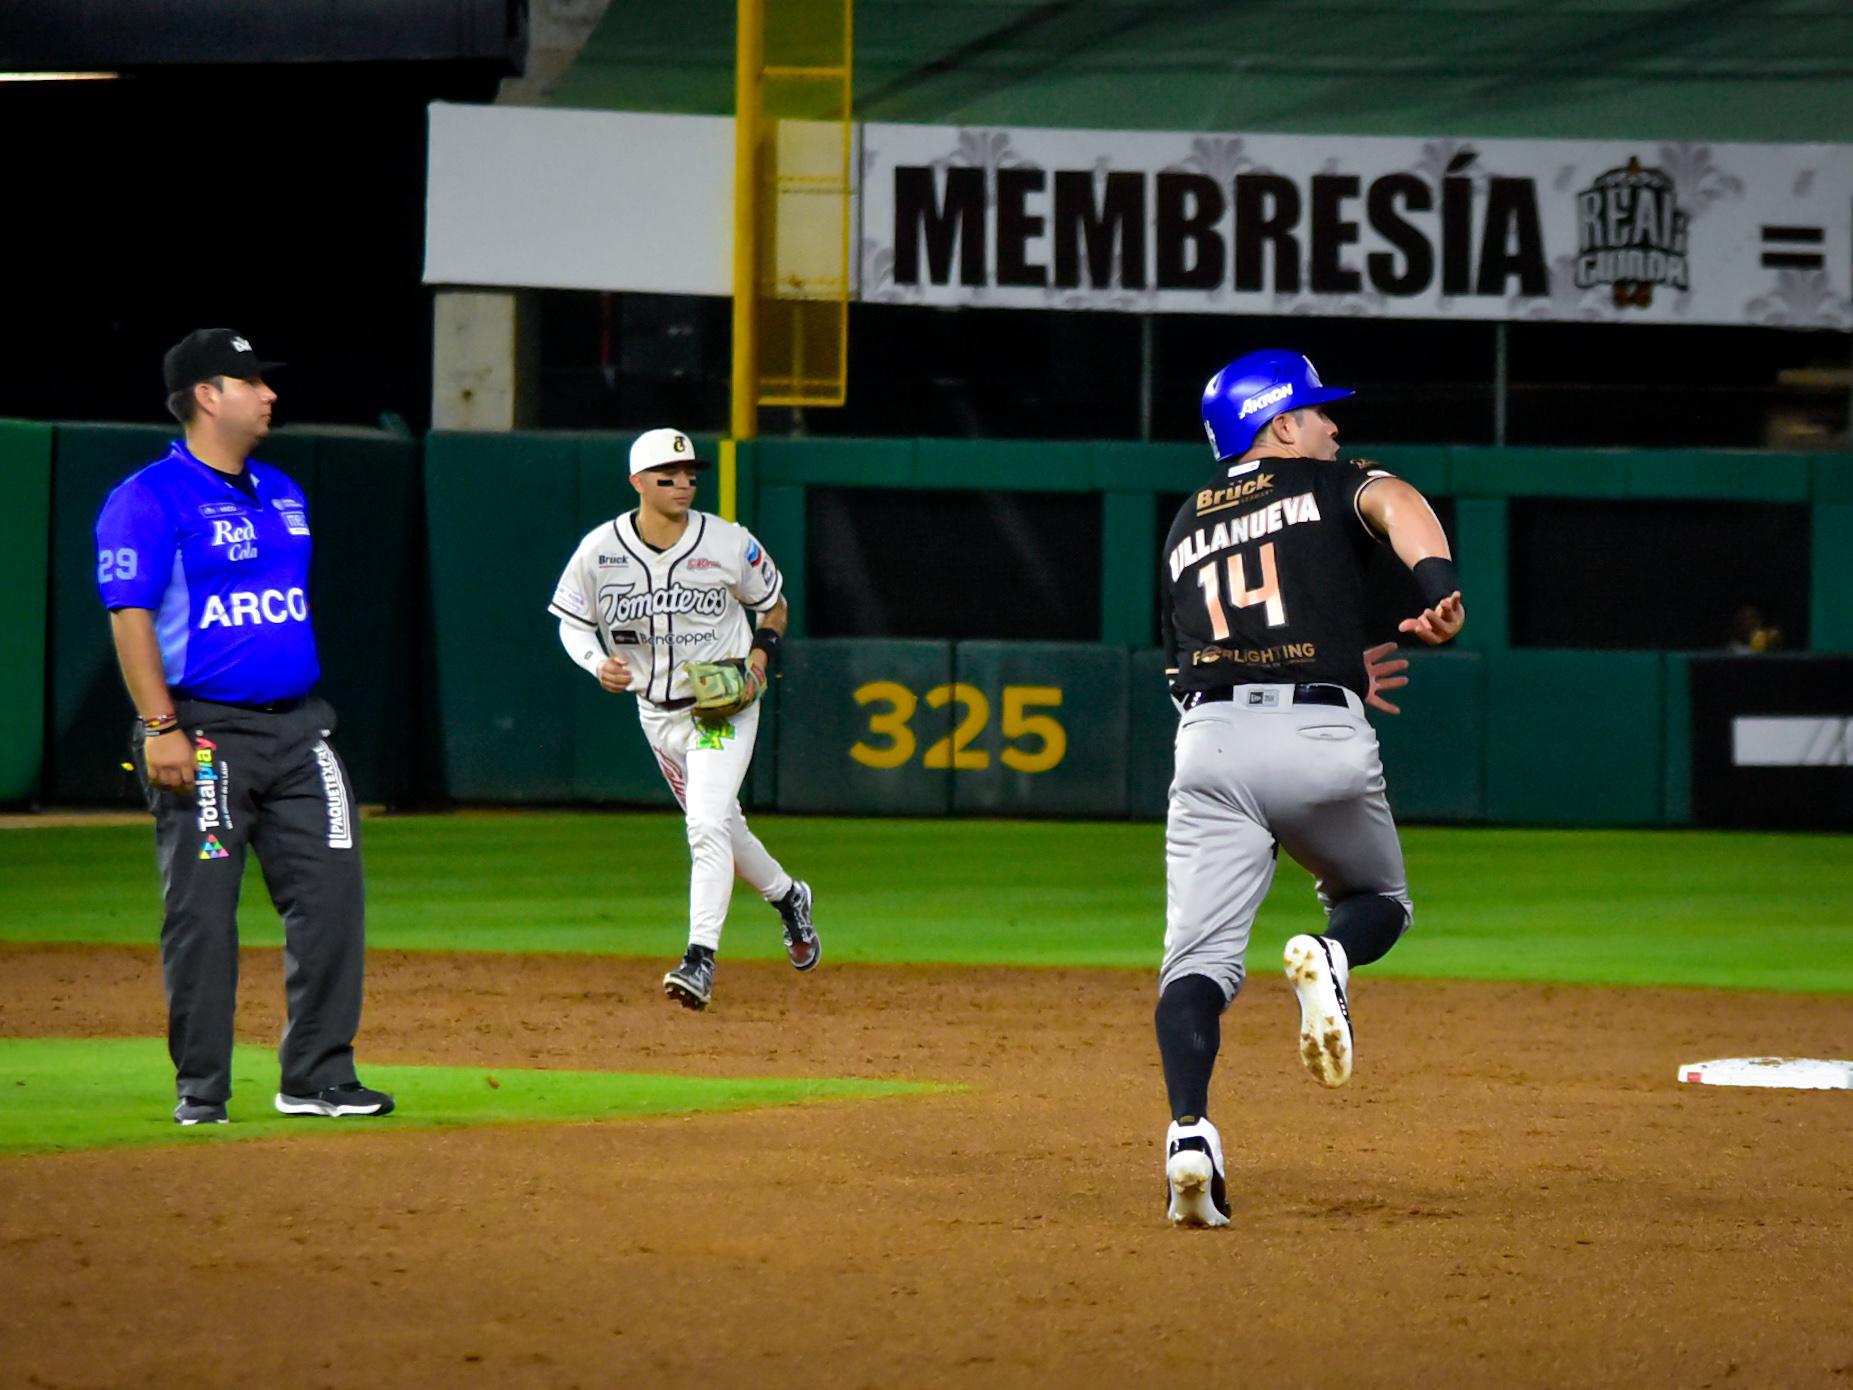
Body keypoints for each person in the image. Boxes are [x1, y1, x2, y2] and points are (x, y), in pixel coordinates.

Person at [1154, 349, 1464, 1227]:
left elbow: (1185, 662)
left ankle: (1188, 1135)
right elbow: (1397, 503)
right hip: (1317, 736)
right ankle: (1330, 957)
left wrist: (1326, 663)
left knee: (1195, 965)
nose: (1334, 426)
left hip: (1207, 741)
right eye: (1319, 411)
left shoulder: (1183, 523)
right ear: (1279, 424)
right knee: (1377, 900)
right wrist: (1438, 590)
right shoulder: (1328, 483)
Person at [94, 328, 393, 1126]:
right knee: (203, 912)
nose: (268, 393)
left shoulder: (285, 490)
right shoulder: (149, 498)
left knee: (333, 899)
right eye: (250, 380)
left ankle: (318, 1075)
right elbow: (131, 620)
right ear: (205, 396)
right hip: (203, 736)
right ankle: (202, 1087)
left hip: (300, 732)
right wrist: (159, 726)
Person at [548, 427, 818, 1010]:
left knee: (704, 826)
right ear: (637, 483)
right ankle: (789, 896)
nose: (683, 483)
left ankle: (699, 959)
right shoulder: (601, 551)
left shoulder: (728, 542)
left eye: (690, 473)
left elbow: (773, 602)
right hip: (657, 715)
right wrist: (597, 662)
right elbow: (571, 621)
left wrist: (761, 655)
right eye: (668, 475)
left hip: (722, 706)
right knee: (724, 825)